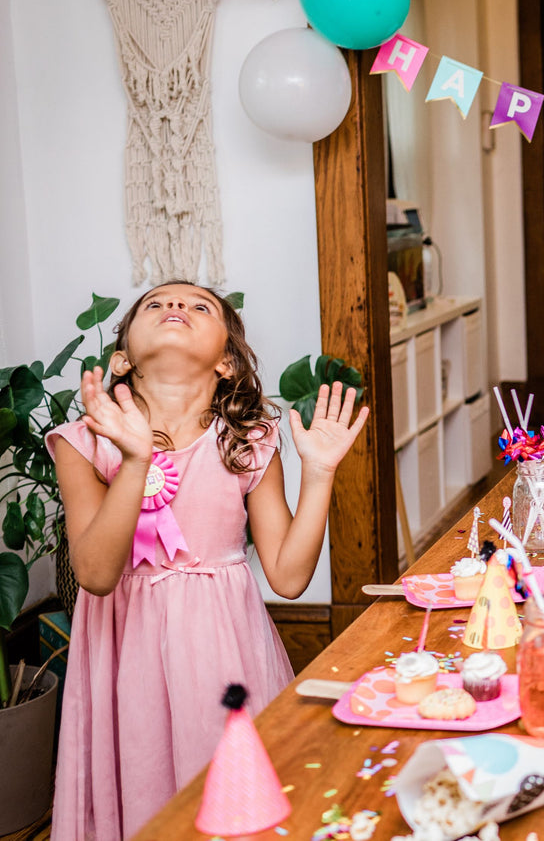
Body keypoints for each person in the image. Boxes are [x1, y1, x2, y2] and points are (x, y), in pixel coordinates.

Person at [46, 283, 369, 841]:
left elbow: (289, 578)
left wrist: (319, 474)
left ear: (225, 360)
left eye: (199, 307)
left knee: (234, 793)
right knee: (142, 787)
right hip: (125, 653)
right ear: (122, 356)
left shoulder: (248, 442)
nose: (176, 308)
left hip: (225, 645)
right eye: (157, 305)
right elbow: (96, 575)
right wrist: (135, 460)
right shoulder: (83, 442)